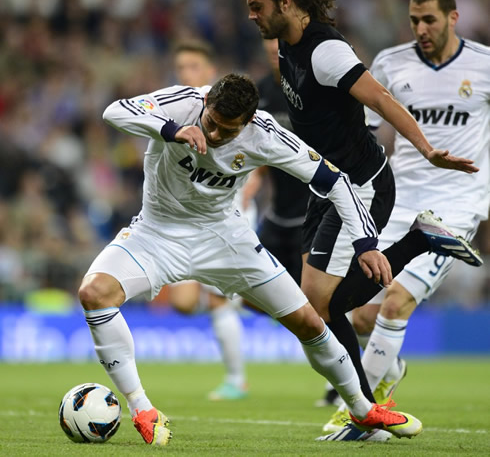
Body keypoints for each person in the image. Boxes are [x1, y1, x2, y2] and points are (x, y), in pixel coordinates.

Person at [77, 72, 480, 445]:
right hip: (156, 233)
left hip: (224, 238)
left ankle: (362, 409)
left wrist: (365, 243)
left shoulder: (264, 133)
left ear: (248, 122)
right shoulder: (183, 103)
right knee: (94, 293)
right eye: (210, 122)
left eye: (226, 130)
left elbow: (334, 181)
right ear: (207, 104)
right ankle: (143, 409)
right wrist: (174, 129)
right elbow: (115, 111)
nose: (214, 134)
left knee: (309, 320)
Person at [240, 0, 480, 440]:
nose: (251, 17)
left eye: (256, 7)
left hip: (362, 184)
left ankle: (365, 411)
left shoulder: (327, 53)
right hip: (324, 185)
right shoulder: (285, 27)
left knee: (316, 308)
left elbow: (385, 101)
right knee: (319, 308)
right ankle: (366, 407)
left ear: (286, 4)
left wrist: (428, 149)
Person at [321, 0, 490, 437]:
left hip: (455, 207)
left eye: (429, 19)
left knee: (395, 303)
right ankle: (389, 369)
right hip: (396, 203)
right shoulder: (391, 63)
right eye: (414, 20)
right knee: (357, 313)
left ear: (454, 18)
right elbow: (370, 135)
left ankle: (360, 414)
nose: (421, 28)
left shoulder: (485, 65)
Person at [169, 39, 249, 401]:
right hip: (186, 217)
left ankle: (237, 379)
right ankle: (254, 299)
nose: (185, 74)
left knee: (218, 300)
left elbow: (252, 163)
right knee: (184, 302)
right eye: (181, 67)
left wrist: (243, 201)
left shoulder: (225, 112)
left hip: (228, 213)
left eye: (192, 67)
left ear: (209, 75)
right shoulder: (176, 109)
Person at [242, 38, 310, 285]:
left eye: (279, 39)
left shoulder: (311, 88)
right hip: (278, 214)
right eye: (269, 39)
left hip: (313, 215)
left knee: (313, 299)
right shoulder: (260, 92)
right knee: (253, 293)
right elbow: (257, 147)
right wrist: (253, 181)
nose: (273, 47)